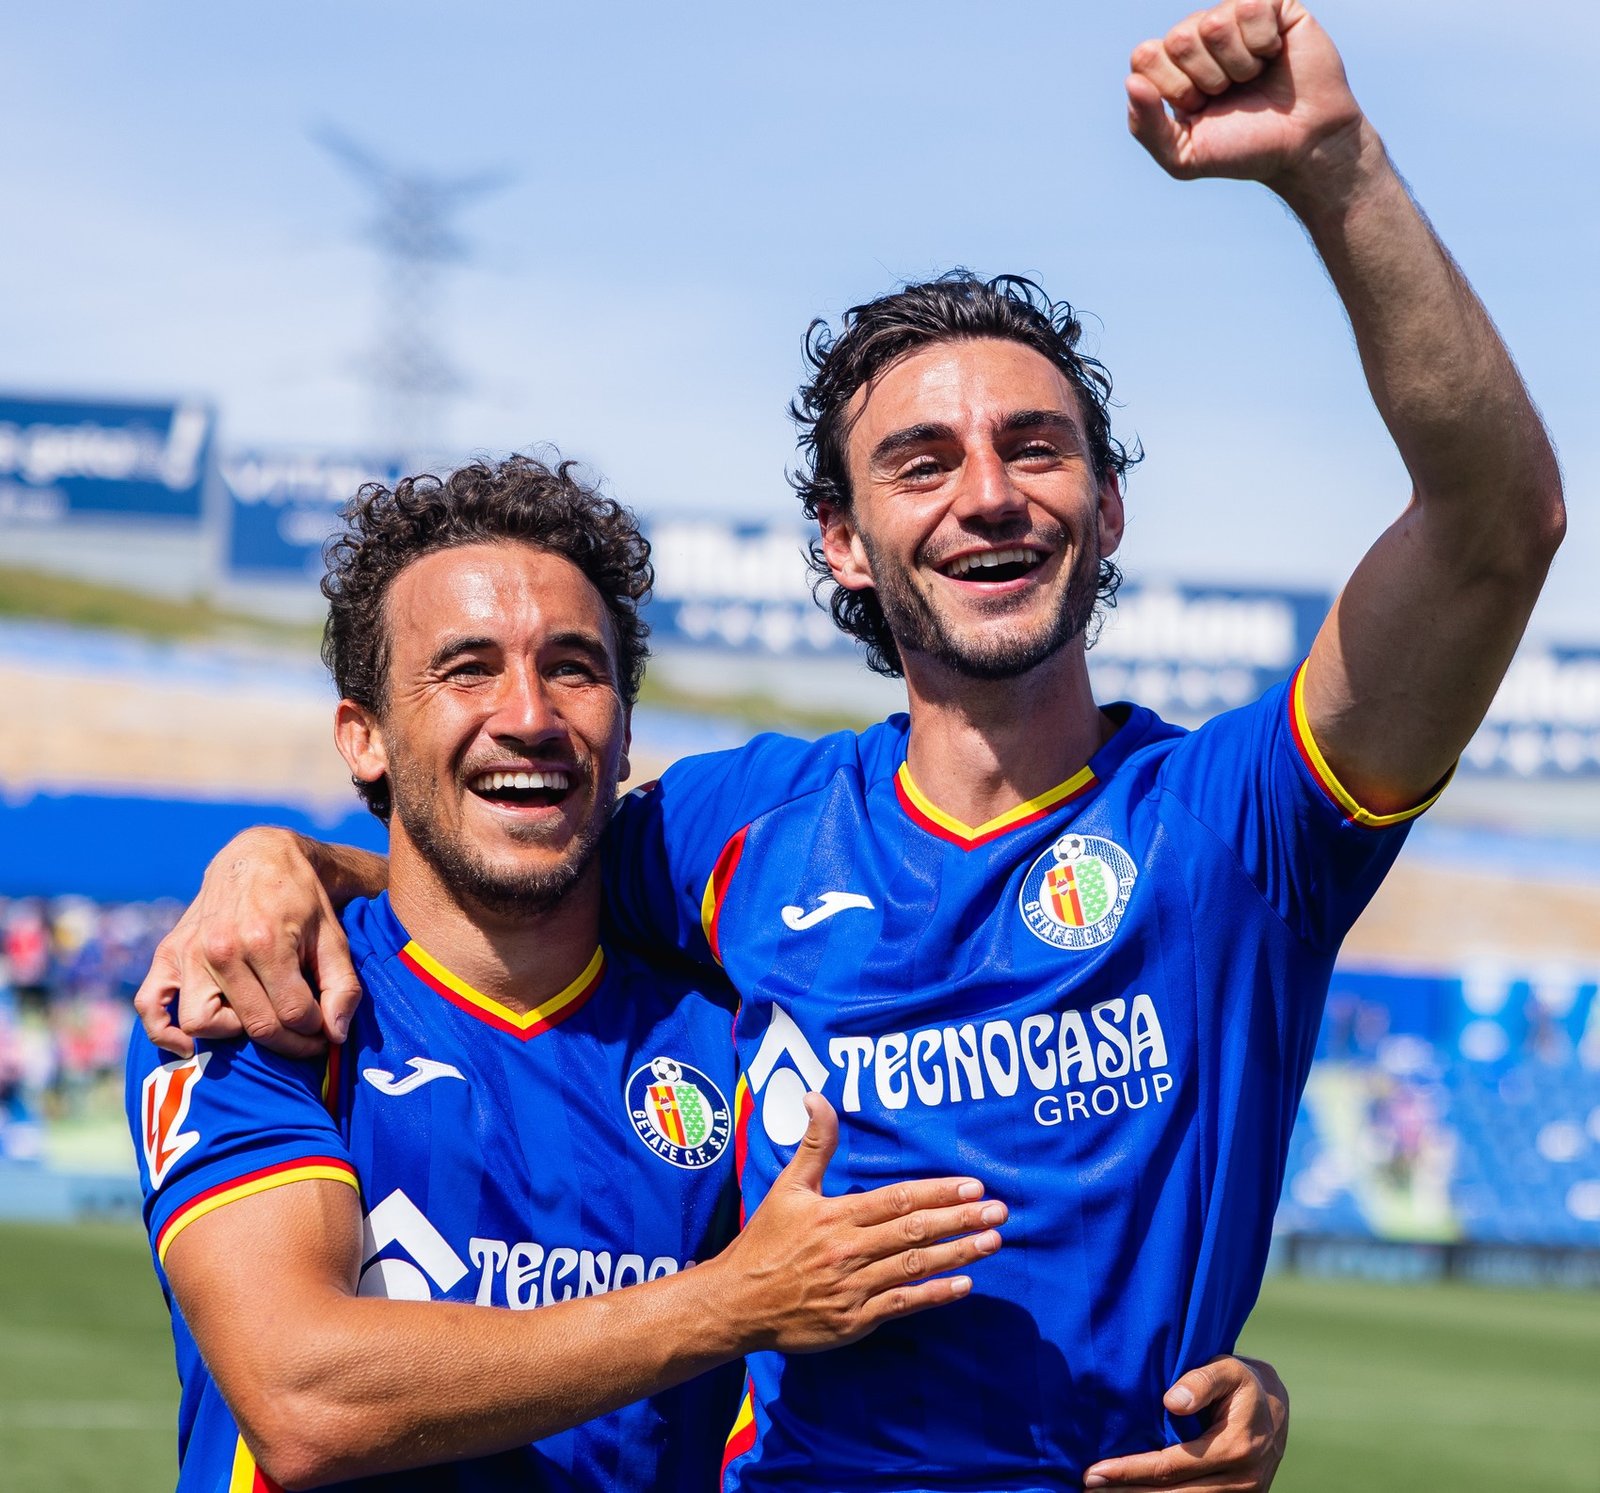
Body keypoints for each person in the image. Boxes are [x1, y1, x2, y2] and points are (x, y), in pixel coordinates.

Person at [146, 0, 1564, 1485]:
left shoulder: (1236, 825)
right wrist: (279, 860)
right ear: (843, 541)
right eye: (920, 461)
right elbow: (497, 850)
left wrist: (1335, 171)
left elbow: (1492, 529)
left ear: (1109, 507)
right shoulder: (734, 830)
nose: (990, 495)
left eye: (1037, 446)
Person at [126, 457, 1017, 1490]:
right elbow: (306, 1398)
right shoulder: (258, 998)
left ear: (626, 728)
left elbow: (953, 1276)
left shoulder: (731, 1030)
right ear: (362, 737)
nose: (530, 715)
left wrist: (1192, 1404)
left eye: (573, 667)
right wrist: (726, 1303)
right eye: (465, 667)